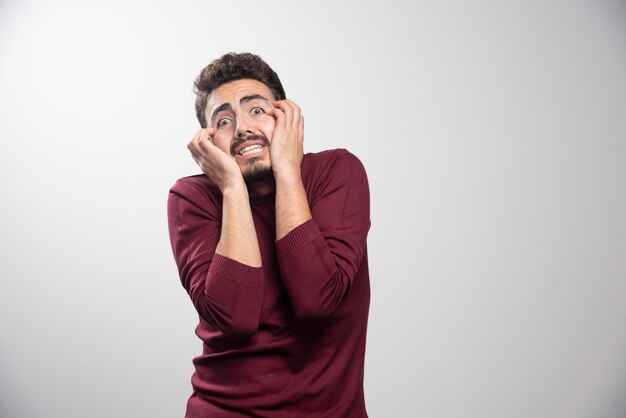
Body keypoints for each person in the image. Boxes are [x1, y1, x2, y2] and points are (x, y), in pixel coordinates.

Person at [167, 52, 371, 417]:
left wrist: (288, 168)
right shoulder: (192, 197)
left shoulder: (336, 172)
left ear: (285, 116)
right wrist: (231, 187)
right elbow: (235, 318)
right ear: (209, 140)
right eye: (224, 120)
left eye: (257, 110)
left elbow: (317, 300)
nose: (243, 127)